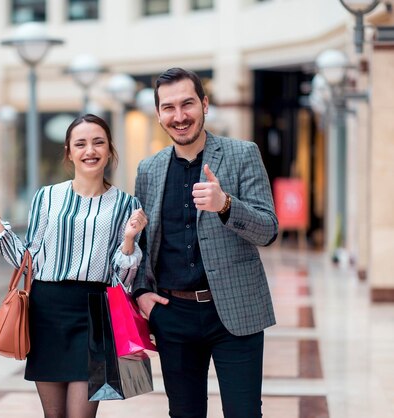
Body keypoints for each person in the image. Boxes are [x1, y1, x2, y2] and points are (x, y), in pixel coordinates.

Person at [0, 113, 148, 418]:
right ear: (69, 151)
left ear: (109, 150)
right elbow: (26, 261)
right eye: (80, 144)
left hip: (95, 314)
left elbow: (122, 280)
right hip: (47, 312)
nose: (89, 151)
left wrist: (130, 240)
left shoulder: (126, 205)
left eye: (98, 143)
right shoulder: (47, 198)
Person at [132, 67, 278, 418]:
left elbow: (269, 230)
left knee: (244, 413)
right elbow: (142, 241)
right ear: (158, 114)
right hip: (173, 314)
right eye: (169, 107)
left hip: (235, 310)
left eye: (187, 104)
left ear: (204, 104)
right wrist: (141, 294)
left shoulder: (243, 154)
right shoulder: (148, 169)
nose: (179, 116)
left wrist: (225, 205)